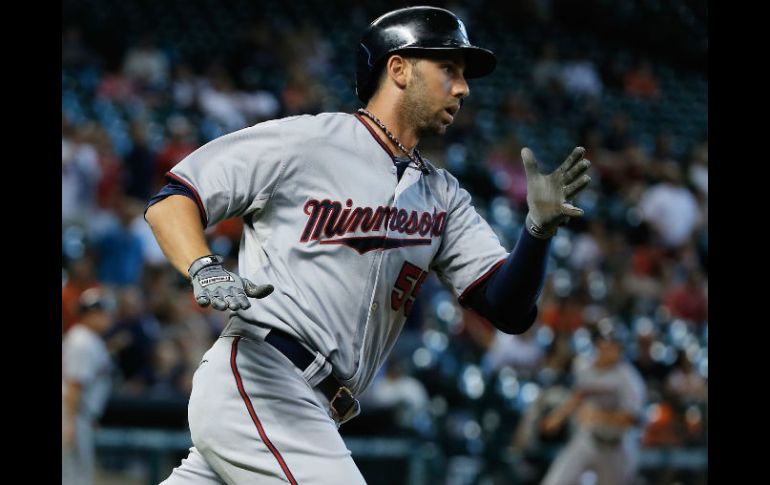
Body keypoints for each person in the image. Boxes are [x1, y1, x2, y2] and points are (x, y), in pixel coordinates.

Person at [144, 6, 592, 484]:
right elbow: (174, 199)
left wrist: (537, 233)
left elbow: (507, 309)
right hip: (264, 377)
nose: (462, 87)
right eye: (448, 69)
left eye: (463, 75)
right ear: (398, 68)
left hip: (314, 407)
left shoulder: (443, 195)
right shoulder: (306, 142)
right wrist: (203, 265)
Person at [540, 325, 646, 485]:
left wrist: (597, 416)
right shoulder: (583, 366)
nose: (612, 349)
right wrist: (558, 417)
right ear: (598, 345)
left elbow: (633, 419)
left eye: (616, 344)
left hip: (617, 447)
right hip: (588, 439)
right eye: (607, 344)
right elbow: (579, 396)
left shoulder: (629, 379)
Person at [62, 288, 115, 485]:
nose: (107, 317)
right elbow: (74, 386)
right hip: (72, 415)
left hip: (79, 414)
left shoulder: (89, 339)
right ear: (90, 314)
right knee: (73, 479)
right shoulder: (82, 341)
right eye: (102, 313)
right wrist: (68, 425)